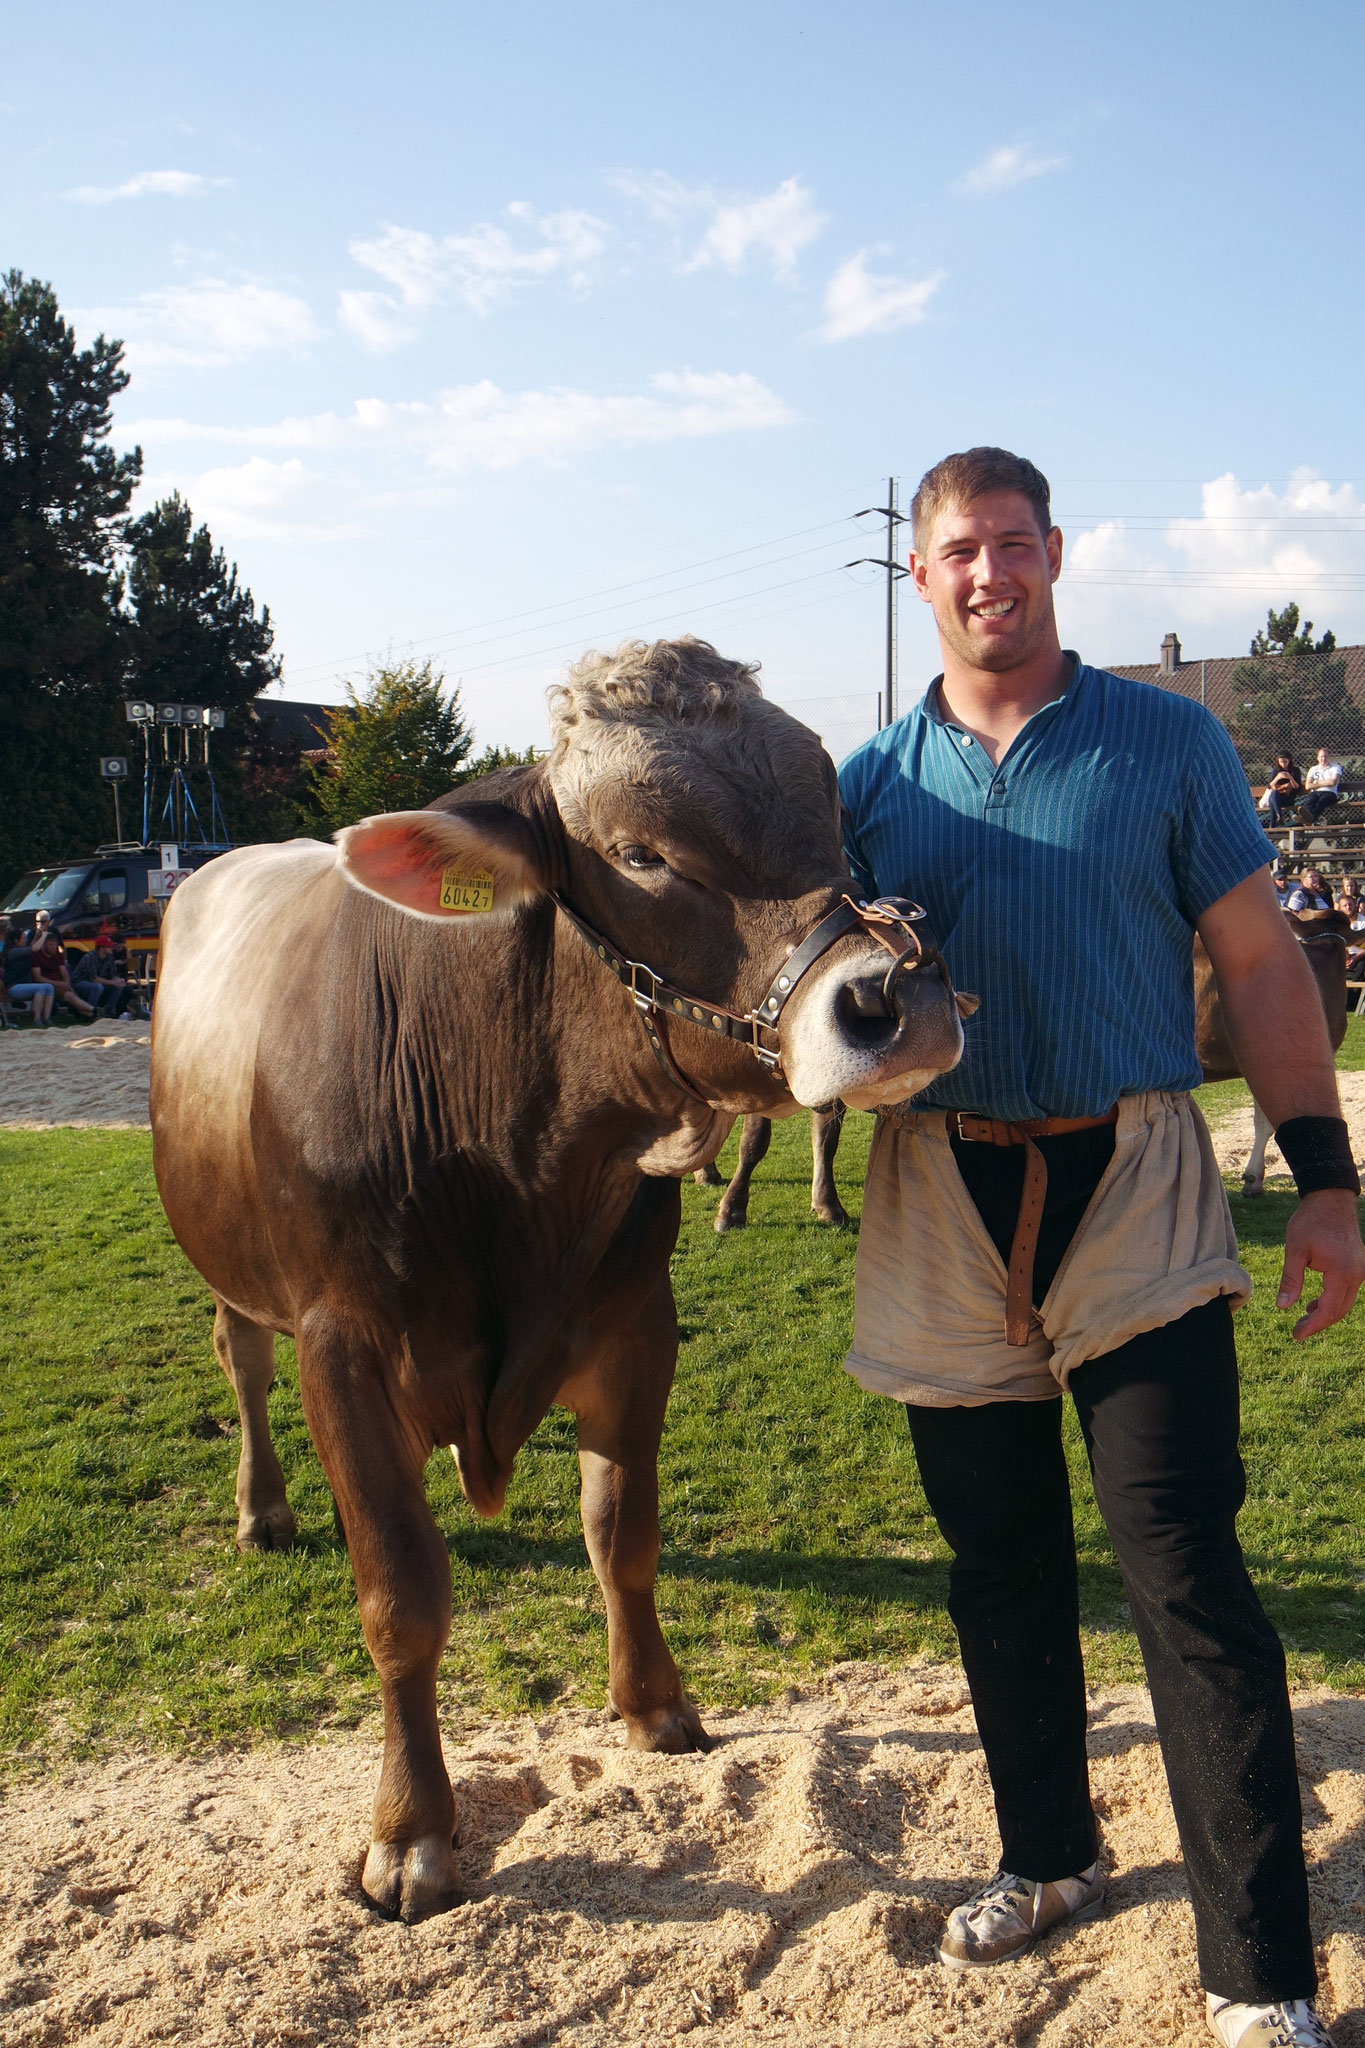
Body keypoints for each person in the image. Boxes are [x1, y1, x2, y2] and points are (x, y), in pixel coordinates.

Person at [837, 446, 1364, 2048]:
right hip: (939, 1182)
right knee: (996, 1568)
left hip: (1131, 1173)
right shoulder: (864, 790)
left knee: (1185, 1576)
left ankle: (1259, 1972)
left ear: (1055, 553)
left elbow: (1262, 963)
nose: (988, 573)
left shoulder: (1168, 741)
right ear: (914, 575)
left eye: (1012, 543)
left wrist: (1331, 1181)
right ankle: (1049, 1856)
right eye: (956, 552)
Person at [30, 932, 97, 1020]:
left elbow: (64, 971)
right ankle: (92, 1010)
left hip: (59, 984)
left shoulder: (57, 954)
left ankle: (90, 1014)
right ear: (44, 944)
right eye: (50, 945)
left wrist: (66, 983)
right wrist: (59, 983)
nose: (53, 947)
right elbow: (38, 978)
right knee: (70, 995)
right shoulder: (37, 956)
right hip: (47, 984)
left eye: (54, 945)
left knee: (72, 993)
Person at [2, 925, 55, 1026]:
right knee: (42, 988)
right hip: (13, 987)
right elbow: (34, 948)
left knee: (49, 987)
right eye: (23, 938)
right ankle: (37, 1019)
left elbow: (30, 947)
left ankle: (46, 1018)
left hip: (23, 985)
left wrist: (36, 936)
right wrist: (44, 935)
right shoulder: (12, 952)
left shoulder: (19, 949)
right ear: (16, 941)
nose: (25, 940)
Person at [70, 934, 131, 1018]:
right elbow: (94, 979)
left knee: (119, 986)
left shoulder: (110, 957)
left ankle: (110, 1012)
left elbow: (113, 975)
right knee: (97, 987)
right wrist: (113, 982)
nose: (111, 948)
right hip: (80, 983)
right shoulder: (90, 957)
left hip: (98, 982)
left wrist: (118, 981)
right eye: (109, 947)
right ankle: (91, 1013)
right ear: (102, 948)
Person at [1298, 748, 1343, 825]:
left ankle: (1308, 819)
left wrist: (1317, 782)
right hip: (1316, 792)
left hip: (1330, 792)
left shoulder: (1335, 767)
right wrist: (1326, 782)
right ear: (1317, 758)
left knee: (1321, 801)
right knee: (1310, 800)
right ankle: (1309, 819)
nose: (1323, 759)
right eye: (1321, 756)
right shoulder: (1313, 769)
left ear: (1329, 757)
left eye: (1325, 756)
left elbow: (1333, 782)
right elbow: (1308, 786)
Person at [1260, 753, 1302, 826]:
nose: (1283, 764)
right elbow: (1270, 786)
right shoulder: (1276, 770)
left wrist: (1290, 778)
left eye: (1285, 762)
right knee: (1274, 795)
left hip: (1288, 798)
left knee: (1273, 800)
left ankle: (1273, 824)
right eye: (1281, 762)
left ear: (1289, 760)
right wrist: (1278, 778)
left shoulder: (1295, 770)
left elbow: (1297, 787)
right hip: (1277, 797)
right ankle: (1279, 818)